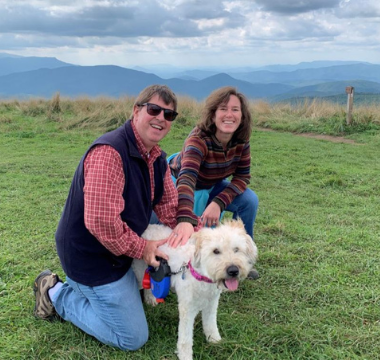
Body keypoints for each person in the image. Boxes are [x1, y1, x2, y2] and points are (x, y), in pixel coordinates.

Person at [33, 84, 197, 351]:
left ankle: (113, 287)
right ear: (136, 110)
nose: (161, 119)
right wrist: (143, 248)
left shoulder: (156, 157)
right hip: (91, 256)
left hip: (119, 249)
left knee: (170, 223)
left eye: (169, 115)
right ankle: (56, 293)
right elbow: (101, 224)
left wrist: (193, 227)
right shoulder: (110, 153)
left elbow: (170, 206)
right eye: (154, 109)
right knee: (131, 337)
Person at [168, 86, 259, 278]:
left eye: (235, 109)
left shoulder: (241, 140)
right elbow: (187, 179)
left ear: (242, 115)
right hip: (182, 185)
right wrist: (185, 216)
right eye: (223, 109)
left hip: (212, 185)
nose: (229, 115)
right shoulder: (198, 140)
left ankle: (244, 259)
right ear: (213, 114)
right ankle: (182, 265)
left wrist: (218, 202)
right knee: (192, 232)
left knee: (249, 201)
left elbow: (242, 177)